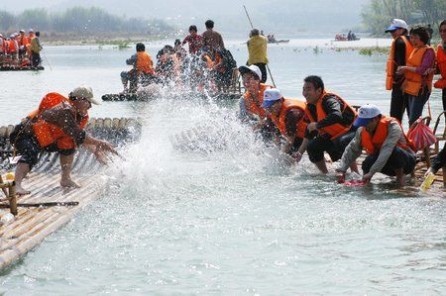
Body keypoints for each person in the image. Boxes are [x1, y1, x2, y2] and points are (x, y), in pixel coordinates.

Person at [10, 86, 118, 195]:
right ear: (80, 100)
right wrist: (100, 143)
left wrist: (95, 150)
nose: (90, 107)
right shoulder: (64, 111)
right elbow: (79, 134)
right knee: (30, 152)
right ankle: (16, 186)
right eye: (89, 103)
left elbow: (78, 138)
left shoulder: (76, 112)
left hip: (43, 140)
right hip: (23, 135)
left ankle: (65, 179)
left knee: (69, 143)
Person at [336, 105, 416, 186]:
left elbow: (387, 150)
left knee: (395, 152)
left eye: (366, 123)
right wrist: (342, 169)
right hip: (385, 165)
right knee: (366, 163)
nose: (364, 126)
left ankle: (400, 181)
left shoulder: (393, 126)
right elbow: (352, 149)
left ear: (375, 119)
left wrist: (372, 172)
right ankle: (366, 185)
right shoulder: (362, 130)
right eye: (362, 123)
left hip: (407, 163)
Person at [294, 76, 357, 174]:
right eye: (303, 89)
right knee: (312, 147)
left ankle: (355, 172)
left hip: (351, 131)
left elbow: (336, 115)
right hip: (333, 135)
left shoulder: (329, 100)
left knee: (341, 142)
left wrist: (318, 125)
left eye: (308, 89)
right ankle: (325, 174)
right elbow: (310, 129)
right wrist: (300, 153)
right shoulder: (311, 106)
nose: (305, 93)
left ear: (319, 90)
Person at [396, 26, 435, 126]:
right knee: (412, 118)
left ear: (422, 38)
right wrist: (403, 71)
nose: (412, 40)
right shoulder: (416, 49)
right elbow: (413, 67)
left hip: (421, 89)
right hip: (411, 87)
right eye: (411, 37)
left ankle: (415, 140)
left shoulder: (428, 51)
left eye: (415, 38)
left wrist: (405, 68)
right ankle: (413, 139)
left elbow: (422, 70)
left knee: (414, 119)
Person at [261, 88, 307, 155]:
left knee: (289, 155)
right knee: (265, 130)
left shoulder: (291, 114)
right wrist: (276, 151)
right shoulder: (272, 112)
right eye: (267, 105)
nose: (268, 108)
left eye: (271, 105)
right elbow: (276, 136)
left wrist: (281, 156)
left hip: (309, 135)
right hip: (295, 133)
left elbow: (290, 142)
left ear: (280, 102)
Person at [385, 18, 413, 123]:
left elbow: (401, 65)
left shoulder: (399, 42)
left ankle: (397, 139)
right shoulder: (413, 40)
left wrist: (400, 84)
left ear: (402, 30)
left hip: (400, 85)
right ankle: (412, 138)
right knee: (413, 117)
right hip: (413, 85)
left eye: (394, 31)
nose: (392, 33)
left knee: (395, 118)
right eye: (390, 31)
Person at [433, 20, 446, 112]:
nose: (442, 33)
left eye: (445, 31)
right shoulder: (440, 48)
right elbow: (438, 70)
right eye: (441, 31)